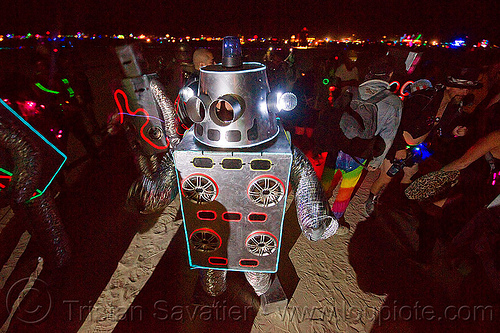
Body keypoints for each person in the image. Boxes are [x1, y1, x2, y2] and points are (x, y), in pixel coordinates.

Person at [365, 67, 483, 215]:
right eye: (462, 88)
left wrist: (454, 132)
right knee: (386, 177)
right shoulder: (424, 97)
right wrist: (400, 148)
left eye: (468, 90)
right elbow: (397, 122)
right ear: (448, 85)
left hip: (421, 148)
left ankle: (399, 201)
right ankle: (371, 199)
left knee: (410, 174)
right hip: (399, 143)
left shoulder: (453, 107)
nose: (465, 93)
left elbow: (441, 131)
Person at [315, 55, 402, 224]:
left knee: (326, 179)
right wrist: (376, 161)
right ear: (389, 75)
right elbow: (388, 136)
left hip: (337, 144)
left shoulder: (351, 90)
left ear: (368, 72)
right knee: (347, 187)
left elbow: (333, 116)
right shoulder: (394, 102)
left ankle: (318, 207)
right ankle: (336, 218)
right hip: (360, 151)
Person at [175, 48, 214, 133]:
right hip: (191, 130)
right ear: (201, 65)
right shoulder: (197, 85)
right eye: (211, 62)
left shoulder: (193, 79)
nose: (215, 64)